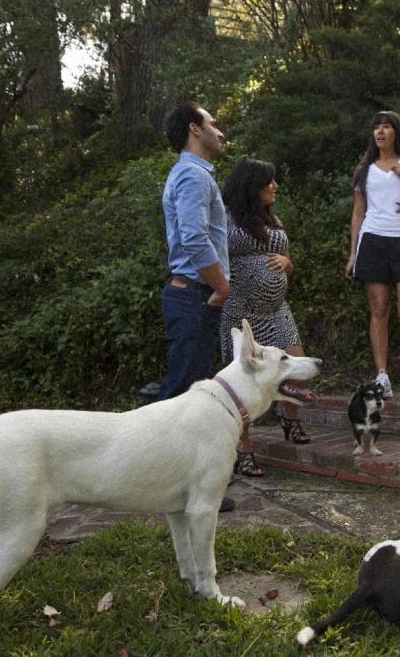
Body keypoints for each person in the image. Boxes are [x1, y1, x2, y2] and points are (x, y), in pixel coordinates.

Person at [158, 101, 235, 512]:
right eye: (213, 123)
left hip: (194, 293)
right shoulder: (191, 175)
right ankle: (166, 488)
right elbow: (193, 237)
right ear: (195, 129)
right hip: (194, 294)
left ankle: (186, 490)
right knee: (182, 399)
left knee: (188, 394)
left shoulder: (195, 175)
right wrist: (221, 287)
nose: (220, 131)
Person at [219, 159, 312, 477]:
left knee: (297, 367)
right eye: (268, 181)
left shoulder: (272, 218)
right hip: (241, 311)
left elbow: (289, 264)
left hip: (276, 311)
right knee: (241, 381)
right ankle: (245, 450)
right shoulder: (226, 218)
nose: (275, 186)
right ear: (251, 186)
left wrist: (287, 262)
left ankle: (291, 419)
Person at [345, 111, 400, 401]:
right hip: (373, 240)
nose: (380, 132)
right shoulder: (364, 169)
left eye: (386, 127)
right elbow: (358, 212)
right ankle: (381, 376)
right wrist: (352, 252)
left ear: (397, 131)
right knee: (379, 309)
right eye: (376, 127)